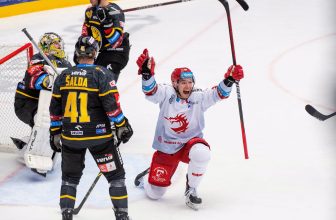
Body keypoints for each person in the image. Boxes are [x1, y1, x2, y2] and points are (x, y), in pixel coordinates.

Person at [134, 49, 244, 210]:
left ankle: (191, 189)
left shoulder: (198, 97)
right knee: (155, 194)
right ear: (175, 83)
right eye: (183, 82)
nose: (188, 86)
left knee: (202, 152)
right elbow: (151, 91)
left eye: (190, 82)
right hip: (167, 148)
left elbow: (218, 94)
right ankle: (147, 177)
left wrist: (229, 80)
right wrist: (146, 74)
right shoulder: (166, 92)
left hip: (189, 146)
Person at [49, 36, 133, 220]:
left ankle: (67, 214)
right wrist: (122, 125)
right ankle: (122, 215)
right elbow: (111, 107)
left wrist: (54, 133)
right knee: (116, 177)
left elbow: (55, 110)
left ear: (77, 53)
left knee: (69, 179)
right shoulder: (101, 74)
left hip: (71, 138)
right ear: (94, 53)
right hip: (99, 138)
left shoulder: (63, 76)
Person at [12, 32, 71, 177]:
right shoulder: (39, 58)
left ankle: (26, 144)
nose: (59, 46)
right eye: (56, 43)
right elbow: (33, 77)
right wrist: (46, 79)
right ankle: (35, 153)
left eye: (59, 43)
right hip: (27, 103)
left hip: (46, 104)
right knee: (44, 119)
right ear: (47, 46)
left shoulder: (66, 62)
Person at [78, 0, 130, 82]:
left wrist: (107, 24)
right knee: (89, 80)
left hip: (117, 52)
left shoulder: (115, 11)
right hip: (103, 52)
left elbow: (116, 42)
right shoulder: (90, 11)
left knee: (104, 81)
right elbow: (85, 35)